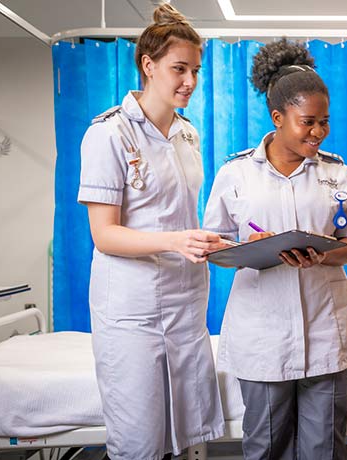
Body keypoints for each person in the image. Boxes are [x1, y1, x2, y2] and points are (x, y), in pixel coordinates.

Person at [203, 38, 347, 460]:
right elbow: (214, 246)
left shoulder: (338, 173)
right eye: (307, 122)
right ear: (278, 117)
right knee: (266, 446)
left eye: (324, 122)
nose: (318, 132)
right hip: (262, 333)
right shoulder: (235, 173)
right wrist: (249, 246)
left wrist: (324, 254)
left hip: (326, 329)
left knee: (325, 448)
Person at [77, 4, 226, 459]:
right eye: (179, 69)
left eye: (196, 70)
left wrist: (211, 240)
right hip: (131, 310)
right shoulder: (109, 135)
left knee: (186, 435)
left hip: (185, 304)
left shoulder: (187, 135)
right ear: (148, 65)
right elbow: (105, 235)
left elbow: (182, 214)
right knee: (139, 441)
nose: (190, 82)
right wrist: (175, 240)